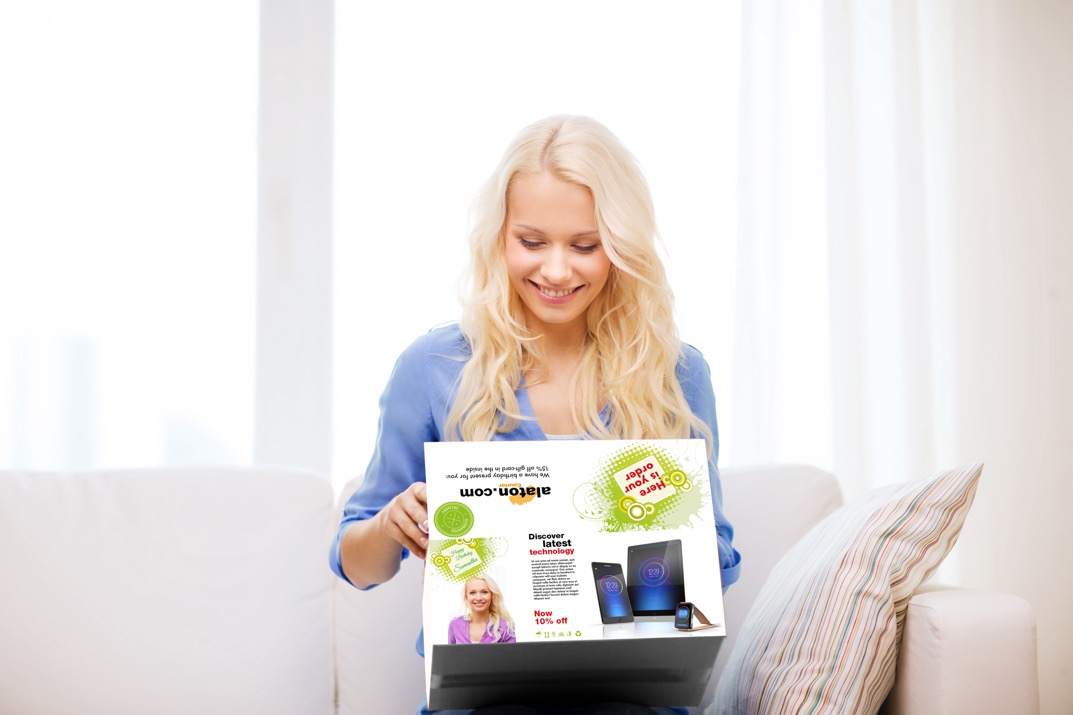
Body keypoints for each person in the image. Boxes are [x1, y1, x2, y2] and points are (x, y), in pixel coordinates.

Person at [329, 114, 741, 712]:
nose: (555, 271)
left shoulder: (675, 374)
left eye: (584, 246)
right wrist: (391, 524)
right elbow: (357, 565)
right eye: (531, 242)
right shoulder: (434, 367)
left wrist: (682, 537)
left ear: (621, 248)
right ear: (499, 237)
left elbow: (720, 564)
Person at [447, 575, 516, 644]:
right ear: (466, 597)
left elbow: (512, 654)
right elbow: (450, 654)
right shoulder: (455, 624)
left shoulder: (505, 626)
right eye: (472, 593)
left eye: (484, 592)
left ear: (492, 595)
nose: (478, 598)